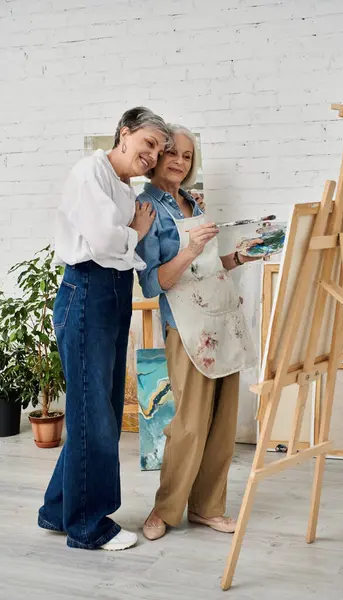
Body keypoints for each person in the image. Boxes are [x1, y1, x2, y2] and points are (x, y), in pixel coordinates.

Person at [38, 107, 171, 551]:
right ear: (124, 133)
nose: (152, 155)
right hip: (87, 290)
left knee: (102, 410)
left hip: (112, 292)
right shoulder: (90, 171)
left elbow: (122, 248)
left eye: (159, 150)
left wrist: (129, 236)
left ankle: (57, 510)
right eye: (147, 144)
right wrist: (132, 231)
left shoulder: (123, 185)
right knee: (94, 413)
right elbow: (102, 242)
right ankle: (86, 526)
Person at [136, 125, 260, 541]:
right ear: (157, 155)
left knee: (222, 425)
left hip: (222, 319)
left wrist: (238, 256)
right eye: (172, 152)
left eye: (188, 156)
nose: (179, 162)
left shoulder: (193, 201)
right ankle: (164, 509)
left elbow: (208, 267)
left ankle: (208, 508)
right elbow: (153, 283)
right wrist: (189, 249)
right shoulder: (146, 207)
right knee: (188, 426)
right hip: (186, 327)